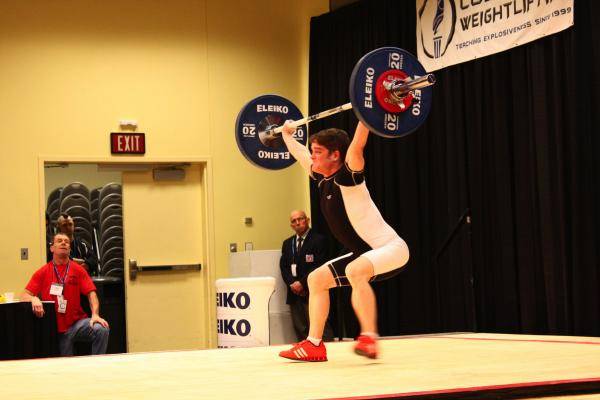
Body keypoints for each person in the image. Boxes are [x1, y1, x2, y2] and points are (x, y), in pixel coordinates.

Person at [278, 121, 410, 361]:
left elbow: (358, 144)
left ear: (335, 155)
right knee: (316, 279)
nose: (313, 157)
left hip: (391, 249)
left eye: (317, 152)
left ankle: (369, 337)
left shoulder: (348, 176)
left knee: (354, 269)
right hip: (364, 254)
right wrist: (286, 135)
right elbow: (300, 155)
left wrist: (366, 113)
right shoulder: (322, 177)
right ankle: (314, 344)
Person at [21, 233, 110, 356]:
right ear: (52, 248)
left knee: (102, 329)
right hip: (53, 328)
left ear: (69, 249)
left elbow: (92, 294)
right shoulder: (42, 272)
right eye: (59, 241)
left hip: (76, 325)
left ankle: (97, 364)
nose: (63, 243)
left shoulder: (79, 270)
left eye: (66, 242)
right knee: (66, 365)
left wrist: (95, 314)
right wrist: (34, 298)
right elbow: (24, 295)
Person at [280, 210, 333, 342]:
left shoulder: (319, 240)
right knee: (300, 328)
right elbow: (284, 267)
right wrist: (292, 283)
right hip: (294, 294)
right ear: (291, 225)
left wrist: (302, 283)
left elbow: (320, 266)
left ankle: (330, 353)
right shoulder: (287, 244)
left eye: (300, 219)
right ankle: (306, 356)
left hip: (312, 291)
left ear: (307, 220)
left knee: (321, 327)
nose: (297, 222)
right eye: (294, 221)